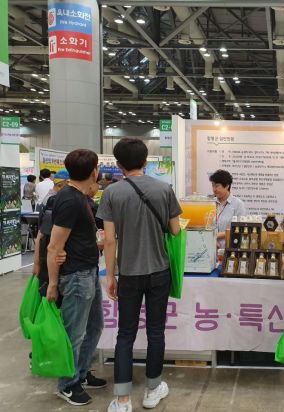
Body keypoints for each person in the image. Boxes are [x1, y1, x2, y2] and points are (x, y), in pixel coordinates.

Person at [97, 138, 182, 412]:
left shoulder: (111, 193)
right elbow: (175, 230)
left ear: (118, 164)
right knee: (156, 332)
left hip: (129, 273)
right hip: (159, 271)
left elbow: (109, 240)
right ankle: (153, 390)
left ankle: (123, 399)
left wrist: (111, 276)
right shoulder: (164, 189)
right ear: (146, 161)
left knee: (125, 334)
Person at [46, 150, 106, 406]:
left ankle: (81, 373)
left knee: (94, 326)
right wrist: (53, 284)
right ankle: (67, 384)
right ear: (94, 171)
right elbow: (54, 246)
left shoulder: (80, 197)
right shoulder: (70, 200)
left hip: (88, 270)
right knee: (75, 332)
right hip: (76, 275)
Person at [209, 169, 246, 248]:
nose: (214, 189)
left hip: (229, 249)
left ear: (227, 186)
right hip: (210, 248)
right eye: (213, 185)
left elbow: (239, 229)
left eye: (217, 186)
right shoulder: (210, 203)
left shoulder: (238, 204)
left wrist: (217, 235)